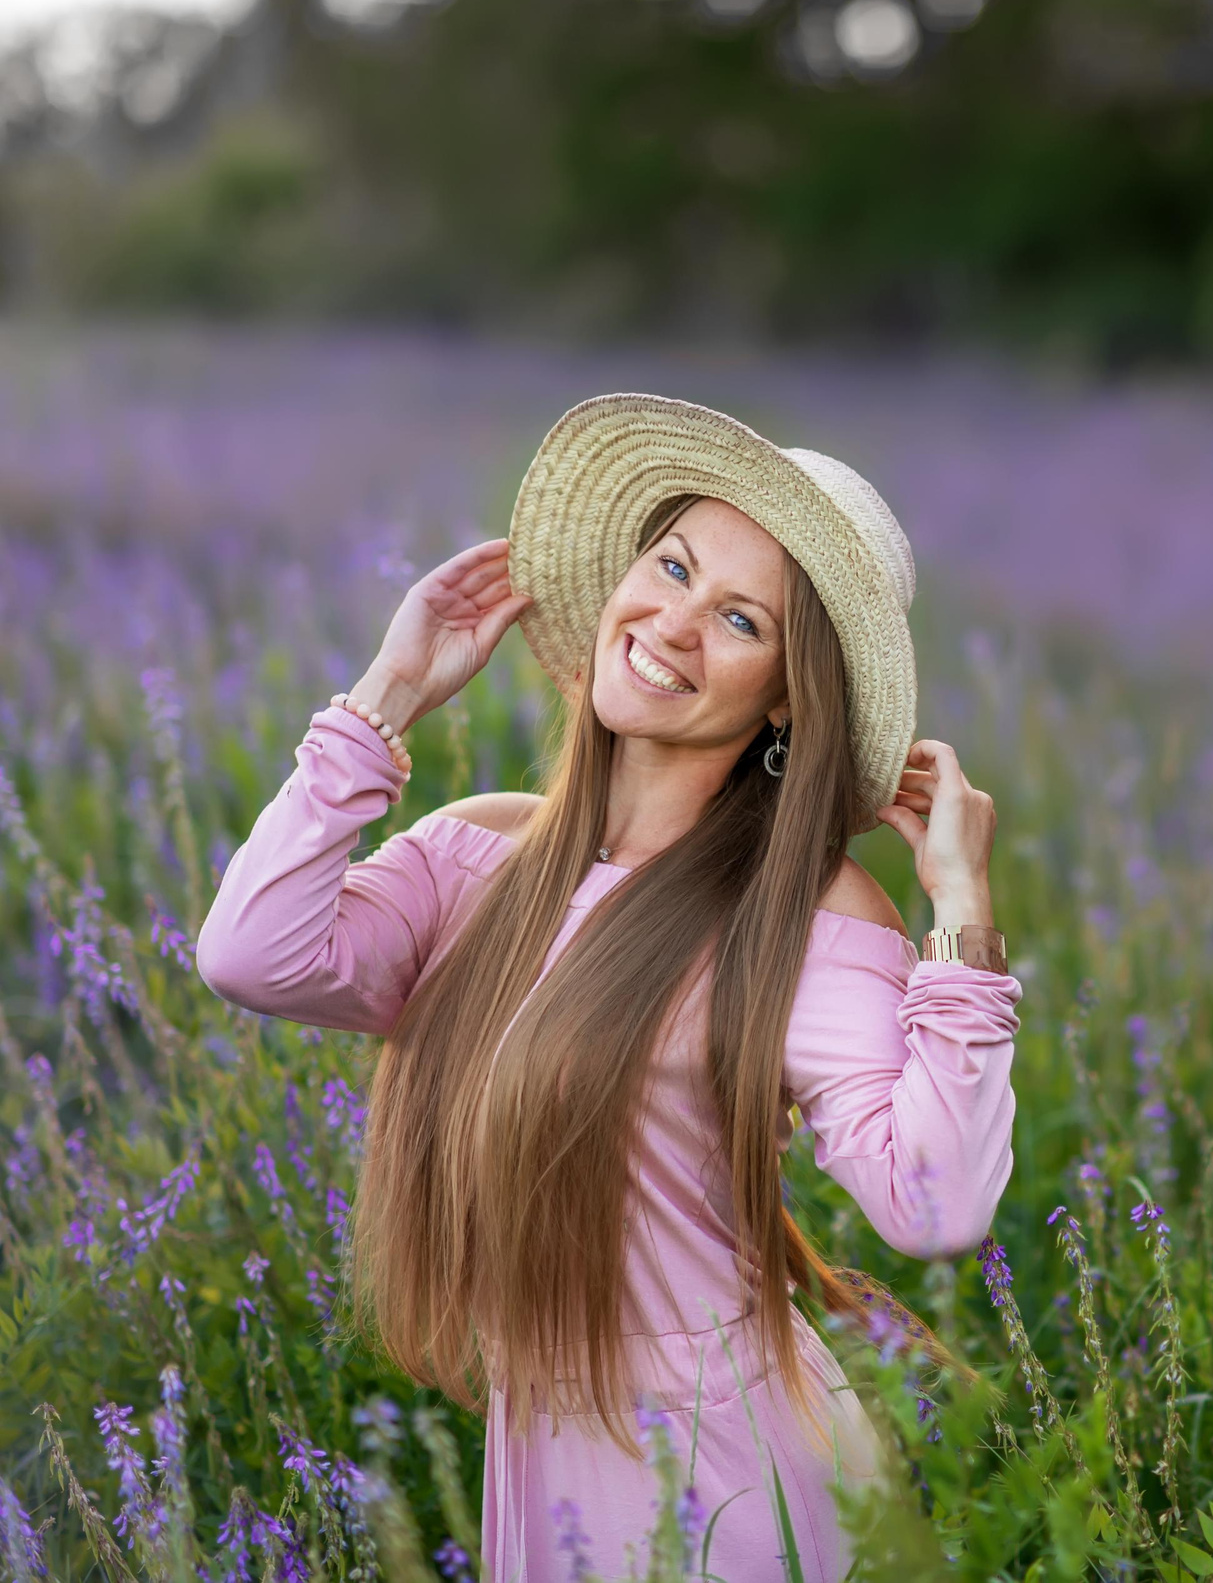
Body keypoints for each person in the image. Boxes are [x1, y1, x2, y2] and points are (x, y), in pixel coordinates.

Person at [196, 393, 1021, 1581]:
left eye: (738, 618)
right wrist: (386, 698)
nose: (675, 624)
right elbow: (250, 954)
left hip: (725, 1470)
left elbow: (933, 1208)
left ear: (786, 695)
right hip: (547, 1458)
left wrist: (962, 913)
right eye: (672, 566)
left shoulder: (802, 917)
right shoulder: (477, 857)